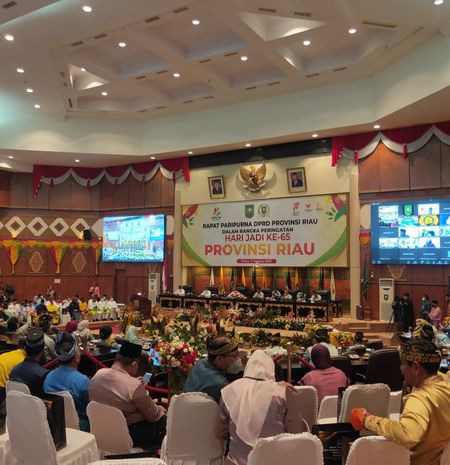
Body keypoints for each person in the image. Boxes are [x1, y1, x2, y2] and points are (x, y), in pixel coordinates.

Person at [351, 338, 450, 465]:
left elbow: (408, 434)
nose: (401, 368)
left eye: (403, 363)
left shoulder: (420, 399)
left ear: (416, 367)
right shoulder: (446, 385)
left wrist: (367, 420)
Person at [216, 350, 307, 465]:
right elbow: (297, 430)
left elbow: (219, 432)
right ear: (271, 370)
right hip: (275, 461)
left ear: (247, 368)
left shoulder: (228, 391)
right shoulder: (281, 392)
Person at [89, 340, 166, 450]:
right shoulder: (134, 386)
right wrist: (160, 410)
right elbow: (153, 416)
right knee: (164, 421)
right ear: (134, 365)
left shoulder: (97, 374)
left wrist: (134, 384)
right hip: (128, 433)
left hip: (102, 429)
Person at [43, 333, 91, 431]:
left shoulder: (48, 377)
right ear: (77, 357)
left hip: (55, 423)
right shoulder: (83, 381)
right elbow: (90, 408)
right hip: (80, 427)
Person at [183, 336, 240, 403]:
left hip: (183, 406)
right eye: (235, 356)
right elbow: (233, 406)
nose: (238, 359)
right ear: (219, 358)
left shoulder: (201, 363)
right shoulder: (220, 384)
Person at [10, 328, 49, 397]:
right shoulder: (43, 374)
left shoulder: (14, 370)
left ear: (25, 349)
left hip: (14, 403)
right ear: (42, 351)